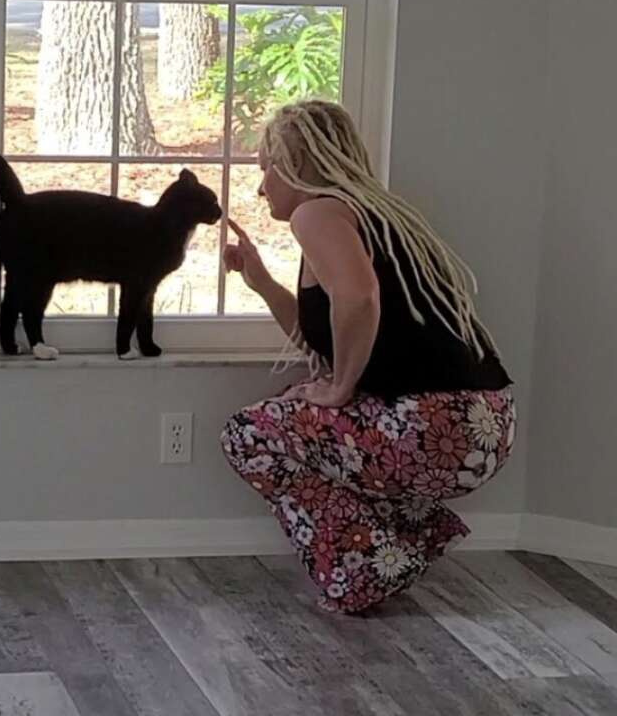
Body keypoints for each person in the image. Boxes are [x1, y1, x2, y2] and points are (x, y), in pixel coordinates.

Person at [220, 100, 514, 614]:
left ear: (299, 163)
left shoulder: (317, 213)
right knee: (298, 412)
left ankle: (373, 563)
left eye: (267, 166)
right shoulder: (371, 214)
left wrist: (339, 389)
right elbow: (330, 337)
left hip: (433, 426)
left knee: (250, 434)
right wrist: (262, 282)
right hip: (485, 427)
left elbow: (358, 299)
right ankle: (411, 534)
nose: (261, 184)